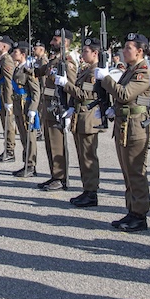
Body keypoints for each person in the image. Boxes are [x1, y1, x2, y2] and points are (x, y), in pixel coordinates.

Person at [99, 33, 150, 232]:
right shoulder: (131, 70)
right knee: (128, 172)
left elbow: (125, 93)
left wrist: (105, 79)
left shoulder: (143, 71)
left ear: (139, 51)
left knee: (136, 172)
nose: (124, 50)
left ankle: (140, 215)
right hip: (124, 124)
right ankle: (132, 211)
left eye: (128, 48)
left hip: (136, 126)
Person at [54, 37, 102, 207]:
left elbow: (85, 95)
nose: (82, 54)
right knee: (82, 156)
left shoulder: (94, 72)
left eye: (86, 51)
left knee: (89, 157)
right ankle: (86, 189)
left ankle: (92, 192)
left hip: (89, 118)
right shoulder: (86, 70)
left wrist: (66, 84)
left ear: (95, 53)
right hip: (80, 116)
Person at [36, 29, 77, 191]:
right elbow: (39, 72)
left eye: (55, 40)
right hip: (49, 108)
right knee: (50, 144)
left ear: (65, 42)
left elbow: (72, 86)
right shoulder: (55, 61)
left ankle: (61, 178)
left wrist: (70, 108)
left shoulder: (67, 62)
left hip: (59, 109)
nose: (52, 43)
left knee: (57, 145)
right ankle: (54, 175)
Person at [10, 42, 40, 176]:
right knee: (23, 136)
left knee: (29, 137)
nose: (12, 54)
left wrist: (33, 109)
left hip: (26, 106)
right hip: (18, 105)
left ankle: (31, 165)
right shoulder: (18, 68)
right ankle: (26, 163)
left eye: (15, 52)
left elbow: (36, 92)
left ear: (23, 54)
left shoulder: (29, 70)